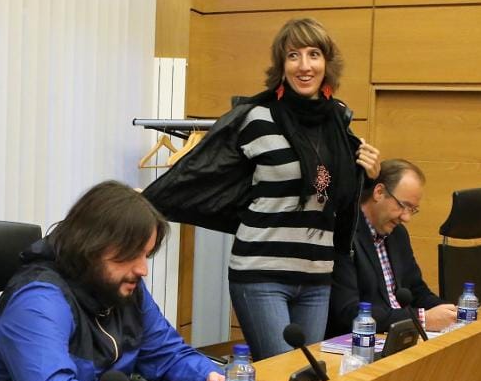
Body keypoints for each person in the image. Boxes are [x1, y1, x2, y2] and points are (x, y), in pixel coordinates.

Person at [142, 18, 380, 360]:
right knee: (280, 376)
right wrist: (148, 201)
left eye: (314, 54)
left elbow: (337, 196)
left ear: (327, 63)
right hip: (261, 273)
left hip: (318, 277)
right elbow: (204, 170)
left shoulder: (339, 121)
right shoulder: (257, 117)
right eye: (293, 55)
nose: (304, 65)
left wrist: (367, 175)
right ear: (281, 66)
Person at [0, 181, 225, 381]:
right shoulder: (38, 301)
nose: (143, 269)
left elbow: (166, 354)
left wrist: (210, 378)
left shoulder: (122, 286)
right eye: (132, 254)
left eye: (146, 254)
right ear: (91, 246)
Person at [327, 159, 457, 337]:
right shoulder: (345, 234)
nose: (406, 217)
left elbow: (417, 290)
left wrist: (450, 312)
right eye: (403, 206)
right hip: (361, 342)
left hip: (400, 335)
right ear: (379, 192)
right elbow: (348, 312)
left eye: (413, 210)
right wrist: (422, 319)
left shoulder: (398, 234)